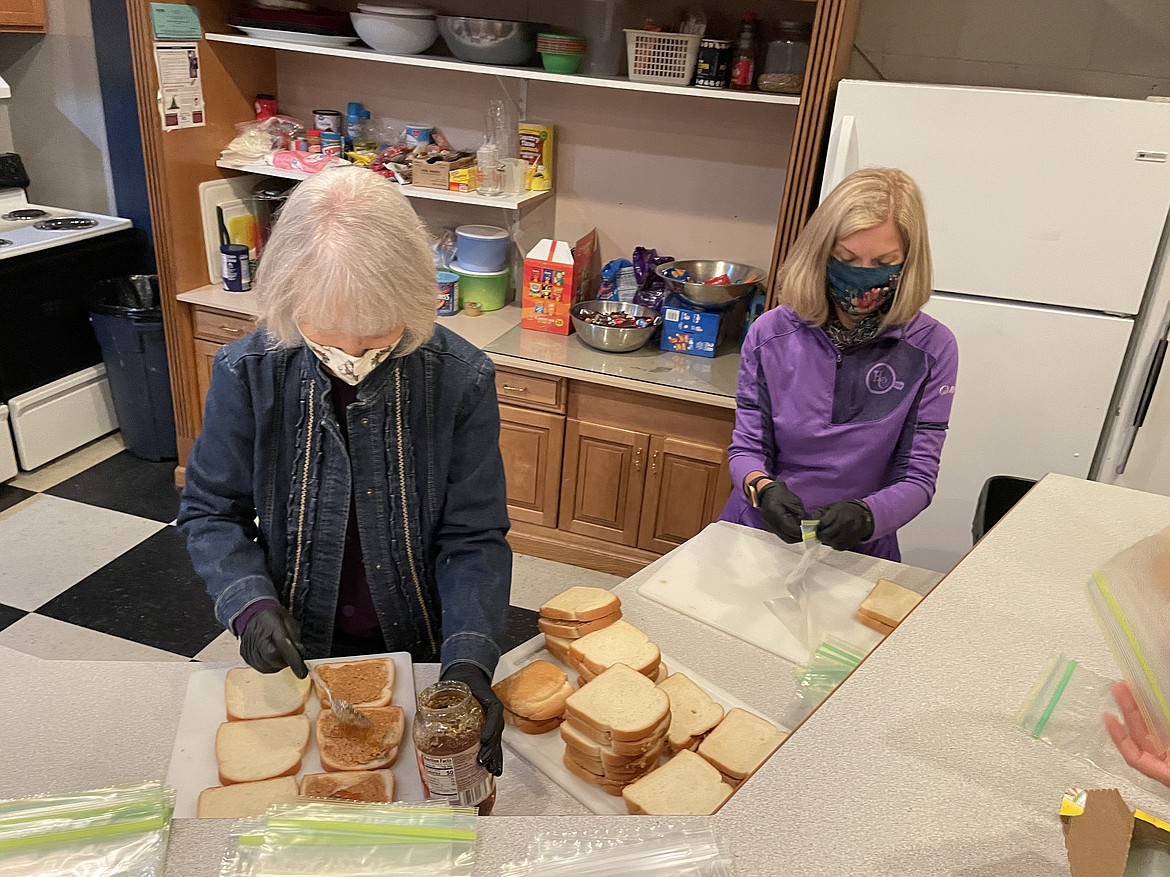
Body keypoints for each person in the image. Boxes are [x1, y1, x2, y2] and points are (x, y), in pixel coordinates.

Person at [178, 166, 511, 775]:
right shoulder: (247, 372)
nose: (353, 358)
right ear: (288, 302)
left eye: (378, 337)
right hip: (301, 641)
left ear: (415, 301)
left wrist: (468, 661)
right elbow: (210, 511)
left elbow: (473, 538)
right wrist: (249, 604)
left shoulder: (459, 379)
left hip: (422, 637)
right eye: (331, 337)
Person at [721, 167, 958, 561]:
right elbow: (746, 447)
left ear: (909, 262)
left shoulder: (932, 348)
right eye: (846, 258)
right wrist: (761, 487)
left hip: (860, 546)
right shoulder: (771, 333)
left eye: (884, 261)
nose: (863, 278)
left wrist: (868, 516)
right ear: (821, 253)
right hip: (759, 531)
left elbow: (918, 477)